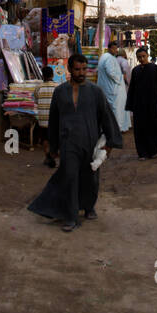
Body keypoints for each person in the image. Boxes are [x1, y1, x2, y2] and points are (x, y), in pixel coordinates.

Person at [28, 54, 122, 232]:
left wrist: (110, 143)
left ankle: (88, 206)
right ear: (70, 69)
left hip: (91, 143)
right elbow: (54, 120)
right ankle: (71, 216)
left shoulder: (95, 92)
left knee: (90, 179)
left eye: (84, 69)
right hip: (68, 144)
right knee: (70, 177)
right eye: (77, 69)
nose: (81, 73)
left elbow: (106, 116)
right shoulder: (60, 91)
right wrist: (53, 147)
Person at [125, 46, 157, 159]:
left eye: (143, 56)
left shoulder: (155, 69)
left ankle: (152, 150)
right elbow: (132, 89)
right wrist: (130, 104)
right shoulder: (135, 71)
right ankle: (142, 152)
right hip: (139, 105)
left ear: (147, 56)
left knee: (152, 126)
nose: (141, 59)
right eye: (139, 57)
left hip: (153, 104)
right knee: (140, 129)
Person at [97, 41, 131, 133]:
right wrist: (120, 78)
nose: (115, 50)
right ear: (109, 48)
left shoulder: (106, 57)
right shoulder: (108, 58)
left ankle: (114, 128)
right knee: (116, 109)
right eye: (114, 48)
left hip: (109, 88)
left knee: (113, 109)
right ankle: (116, 128)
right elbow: (111, 72)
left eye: (116, 48)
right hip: (113, 89)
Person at [34, 65, 58, 167]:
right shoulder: (58, 87)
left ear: (42, 76)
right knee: (55, 138)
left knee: (45, 138)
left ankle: (47, 156)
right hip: (55, 119)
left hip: (43, 119)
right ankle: (54, 156)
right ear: (52, 75)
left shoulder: (38, 88)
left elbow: (36, 100)